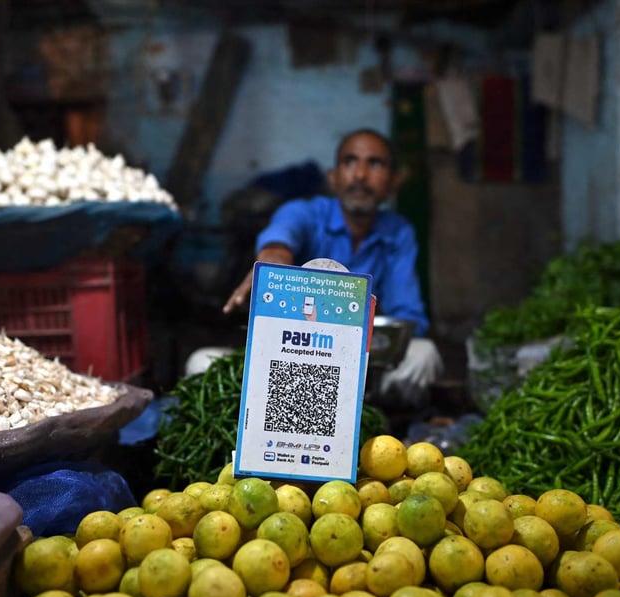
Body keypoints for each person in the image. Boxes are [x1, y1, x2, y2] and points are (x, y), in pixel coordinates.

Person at [186, 128, 443, 408]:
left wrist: (356, 324)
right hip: (287, 360)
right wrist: (274, 259)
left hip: (362, 363)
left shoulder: (398, 233)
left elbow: (409, 317)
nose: (360, 175)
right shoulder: (305, 212)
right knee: (201, 364)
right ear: (333, 178)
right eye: (350, 162)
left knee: (424, 355)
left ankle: (377, 432)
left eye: (375, 164)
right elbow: (282, 234)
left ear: (394, 182)